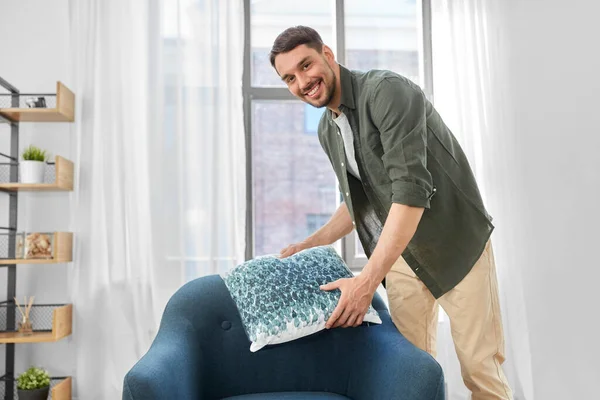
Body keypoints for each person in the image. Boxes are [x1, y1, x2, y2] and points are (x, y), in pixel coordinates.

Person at [271, 26, 513, 400]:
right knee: (409, 372)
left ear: (328, 55)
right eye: (290, 77)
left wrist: (366, 283)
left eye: (306, 65)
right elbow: (358, 203)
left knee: (480, 370)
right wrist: (311, 242)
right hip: (400, 255)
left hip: (456, 245)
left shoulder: (386, 92)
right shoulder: (327, 129)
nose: (303, 81)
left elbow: (411, 191)